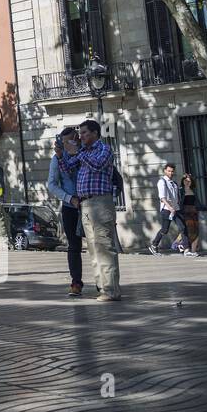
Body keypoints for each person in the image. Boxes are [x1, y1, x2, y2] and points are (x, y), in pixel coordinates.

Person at [59, 119, 120, 301]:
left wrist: (77, 151)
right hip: (85, 205)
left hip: (100, 203)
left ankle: (111, 290)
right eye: (81, 133)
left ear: (94, 133)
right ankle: (102, 287)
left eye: (84, 132)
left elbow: (98, 165)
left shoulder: (104, 149)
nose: (81, 136)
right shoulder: (83, 152)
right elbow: (69, 168)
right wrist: (61, 154)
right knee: (93, 249)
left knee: (105, 247)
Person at [48, 126, 84, 296]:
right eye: (62, 142)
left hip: (89, 203)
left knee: (96, 244)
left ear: (76, 139)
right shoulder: (57, 159)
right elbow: (52, 185)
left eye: (68, 141)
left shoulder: (85, 154)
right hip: (70, 207)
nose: (65, 145)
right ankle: (76, 282)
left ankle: (102, 283)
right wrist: (69, 198)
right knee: (74, 246)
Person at [149, 163, 189, 255]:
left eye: (172, 171)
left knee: (183, 228)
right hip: (167, 210)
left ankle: (186, 249)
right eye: (169, 171)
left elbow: (177, 196)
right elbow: (162, 197)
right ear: (165, 171)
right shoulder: (162, 182)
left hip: (176, 209)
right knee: (164, 230)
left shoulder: (174, 183)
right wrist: (170, 208)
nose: (170, 173)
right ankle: (154, 245)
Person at [180, 173, 201, 256]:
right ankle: (185, 248)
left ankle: (193, 251)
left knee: (196, 231)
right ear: (183, 181)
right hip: (185, 212)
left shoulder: (194, 190)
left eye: (189, 181)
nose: (187, 182)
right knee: (189, 230)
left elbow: (197, 201)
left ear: (192, 182)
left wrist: (199, 208)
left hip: (194, 212)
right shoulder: (180, 190)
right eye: (185, 180)